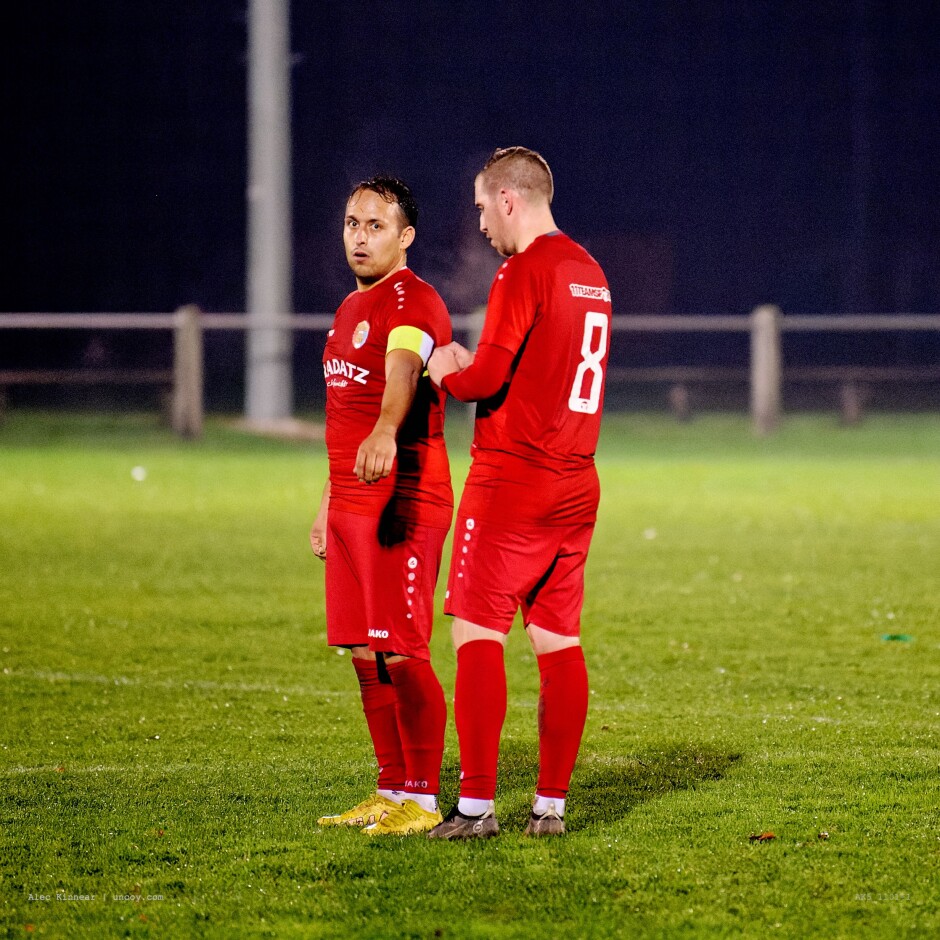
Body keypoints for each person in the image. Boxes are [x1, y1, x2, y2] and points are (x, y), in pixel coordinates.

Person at [426, 147, 611, 839]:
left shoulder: (523, 270)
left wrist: (448, 367)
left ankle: (475, 808)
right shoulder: (591, 273)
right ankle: (552, 808)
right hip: (576, 483)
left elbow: (485, 378)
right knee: (559, 640)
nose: (478, 224)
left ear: (510, 199)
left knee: (477, 631)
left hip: (512, 481)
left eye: (480, 207)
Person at [311, 176, 453, 836]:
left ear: (405, 236)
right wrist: (325, 503)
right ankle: (391, 789)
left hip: (401, 500)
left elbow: (401, 374)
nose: (360, 236)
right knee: (365, 656)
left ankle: (423, 801)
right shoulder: (346, 309)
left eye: (375, 226)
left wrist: (386, 430)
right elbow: (343, 417)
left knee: (400, 652)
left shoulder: (414, 301)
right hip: (349, 501)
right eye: (351, 224)